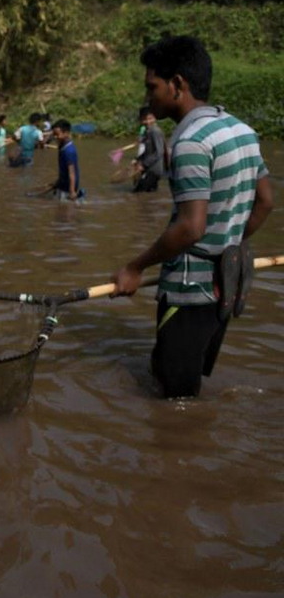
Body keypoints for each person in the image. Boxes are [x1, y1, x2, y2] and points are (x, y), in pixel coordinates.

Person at [111, 35, 274, 398]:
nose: (148, 97)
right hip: (228, 283)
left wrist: (135, 267)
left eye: (152, 86)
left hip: (189, 288)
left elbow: (190, 227)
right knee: (187, 380)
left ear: (178, 84)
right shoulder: (242, 130)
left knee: (174, 400)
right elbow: (264, 202)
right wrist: (229, 244)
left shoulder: (189, 143)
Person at [39, 119, 84, 202]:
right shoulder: (62, 146)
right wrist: (56, 183)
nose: (55, 137)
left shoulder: (69, 151)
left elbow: (72, 173)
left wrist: (72, 191)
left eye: (57, 134)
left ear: (66, 133)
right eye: (54, 134)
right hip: (61, 184)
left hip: (67, 189)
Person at [133, 106, 165, 192]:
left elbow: (159, 152)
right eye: (144, 119)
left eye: (150, 119)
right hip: (148, 168)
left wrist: (143, 164)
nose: (147, 122)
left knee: (138, 193)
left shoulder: (155, 131)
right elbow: (147, 152)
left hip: (154, 170)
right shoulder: (147, 132)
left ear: (155, 118)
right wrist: (138, 160)